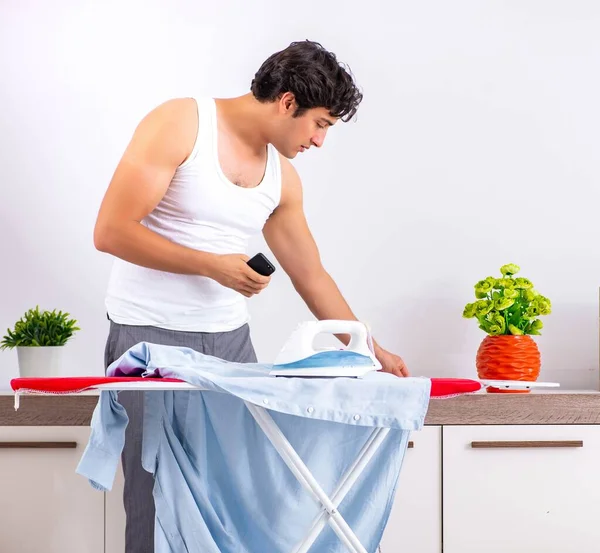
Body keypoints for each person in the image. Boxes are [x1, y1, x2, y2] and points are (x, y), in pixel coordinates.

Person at [93, 39, 409, 553]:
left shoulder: (283, 179)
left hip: (230, 346)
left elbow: (312, 275)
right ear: (287, 102)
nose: (320, 141)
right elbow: (111, 231)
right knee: (152, 496)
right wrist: (210, 265)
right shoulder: (181, 124)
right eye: (320, 124)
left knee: (241, 492)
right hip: (148, 338)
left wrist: (367, 346)